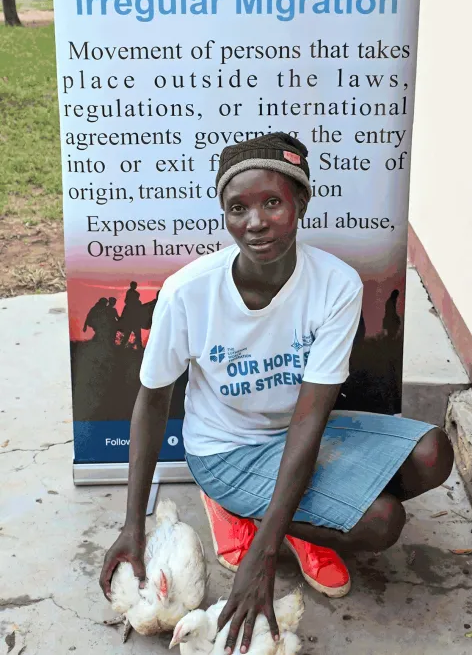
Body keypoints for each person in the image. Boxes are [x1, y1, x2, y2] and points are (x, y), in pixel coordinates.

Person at [100, 133, 453, 654]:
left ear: (301, 204)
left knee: (434, 453)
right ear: (224, 214)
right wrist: (133, 526)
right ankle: (248, 510)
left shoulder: (335, 285)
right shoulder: (189, 292)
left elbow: (311, 420)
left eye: (272, 202)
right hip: (226, 452)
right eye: (238, 207)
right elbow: (152, 402)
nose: (256, 222)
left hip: (298, 435)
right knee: (382, 520)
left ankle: (280, 523)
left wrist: (261, 556)